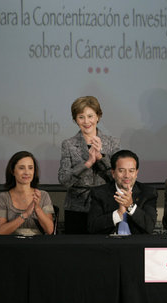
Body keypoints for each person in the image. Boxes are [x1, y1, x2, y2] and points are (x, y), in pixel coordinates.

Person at [58, 96, 120, 234]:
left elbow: (118, 178)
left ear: (98, 116)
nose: (86, 122)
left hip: (105, 207)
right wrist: (87, 164)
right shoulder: (68, 144)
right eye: (81, 117)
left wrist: (100, 158)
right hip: (76, 208)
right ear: (75, 120)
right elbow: (64, 180)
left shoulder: (112, 143)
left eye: (90, 116)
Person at [88, 150, 157, 234]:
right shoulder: (99, 193)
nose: (127, 175)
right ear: (113, 173)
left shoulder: (148, 192)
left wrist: (130, 207)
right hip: (108, 244)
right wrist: (119, 213)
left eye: (131, 171)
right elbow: (92, 227)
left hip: (137, 244)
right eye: (121, 171)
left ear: (136, 173)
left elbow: (149, 227)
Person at [0, 151, 54, 235]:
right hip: (11, 245)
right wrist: (25, 214)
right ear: (13, 171)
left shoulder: (43, 195)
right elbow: (0, 231)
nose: (27, 172)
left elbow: (50, 230)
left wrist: (37, 208)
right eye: (21, 168)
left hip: (37, 244)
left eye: (30, 168)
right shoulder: (3, 197)